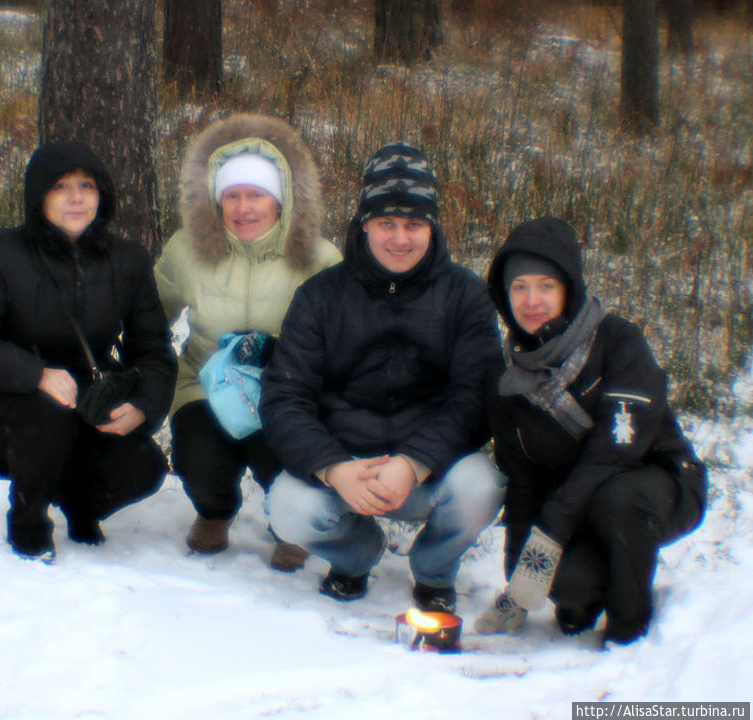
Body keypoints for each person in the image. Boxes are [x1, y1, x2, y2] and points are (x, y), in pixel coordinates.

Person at [261, 143, 504, 611]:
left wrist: (414, 461)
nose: (400, 238)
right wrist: (334, 468)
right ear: (364, 224)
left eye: (414, 224)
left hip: (429, 466)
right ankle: (356, 556)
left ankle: (433, 571)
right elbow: (285, 396)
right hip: (347, 463)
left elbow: (474, 396)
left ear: (432, 226)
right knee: (288, 508)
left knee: (483, 487)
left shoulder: (467, 296)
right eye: (386, 223)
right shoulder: (319, 296)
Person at [475, 217, 707, 645]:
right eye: (519, 287)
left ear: (568, 288)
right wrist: (518, 578)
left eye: (545, 286)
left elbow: (615, 451)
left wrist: (552, 529)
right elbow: (522, 480)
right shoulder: (504, 377)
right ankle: (583, 599)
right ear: (504, 297)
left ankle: (628, 630)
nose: (532, 300)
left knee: (618, 498)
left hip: (658, 485)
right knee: (567, 583)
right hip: (578, 508)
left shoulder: (618, 341)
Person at [0, 141, 177, 561]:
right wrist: (37, 374)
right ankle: (28, 518)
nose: (76, 197)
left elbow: (154, 349)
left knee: (145, 466)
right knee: (47, 415)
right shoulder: (2, 252)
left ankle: (81, 506)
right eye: (61, 186)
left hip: (88, 395)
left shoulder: (128, 260)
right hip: (4, 395)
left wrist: (143, 405)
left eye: (86, 185)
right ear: (40, 196)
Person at [154, 113, 341, 569]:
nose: (243, 208)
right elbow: (152, 310)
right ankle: (214, 512)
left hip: (284, 387)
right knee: (199, 454)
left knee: (282, 452)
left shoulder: (320, 257)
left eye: (256, 195)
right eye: (232, 196)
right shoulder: (187, 249)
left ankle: (288, 526)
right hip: (203, 380)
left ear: (281, 200)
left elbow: (342, 337)